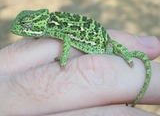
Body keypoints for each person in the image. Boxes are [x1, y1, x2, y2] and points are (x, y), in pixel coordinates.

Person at [0, 30, 159, 116]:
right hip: (100, 43)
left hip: (100, 44)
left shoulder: (54, 27)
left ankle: (129, 57)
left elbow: (66, 40)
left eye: (25, 26)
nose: (19, 30)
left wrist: (63, 59)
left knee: (113, 56)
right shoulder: (51, 27)